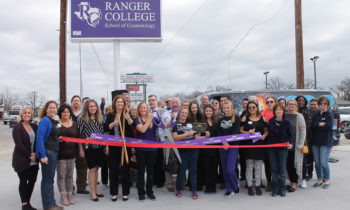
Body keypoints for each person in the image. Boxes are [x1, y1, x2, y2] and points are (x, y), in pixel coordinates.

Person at [104, 95, 134, 201]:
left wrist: (129, 120)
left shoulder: (127, 113)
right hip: (113, 145)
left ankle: (125, 192)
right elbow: (106, 127)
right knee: (113, 168)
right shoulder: (110, 115)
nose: (120, 104)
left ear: (124, 104)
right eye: (118, 102)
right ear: (114, 104)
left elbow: (132, 129)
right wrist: (114, 123)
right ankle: (114, 192)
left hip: (125, 145)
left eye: (121, 102)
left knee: (126, 167)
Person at [36, 101, 64, 210]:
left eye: (54, 108)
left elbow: (50, 135)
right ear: (46, 109)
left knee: (50, 179)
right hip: (48, 153)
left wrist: (57, 139)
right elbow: (39, 138)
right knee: (47, 180)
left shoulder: (52, 121)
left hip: (53, 152)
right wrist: (42, 155)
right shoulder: (45, 120)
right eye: (50, 108)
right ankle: (48, 205)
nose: (52, 110)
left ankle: (52, 203)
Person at [77, 99, 106, 202]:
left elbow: (103, 132)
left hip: (100, 147)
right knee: (92, 169)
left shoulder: (100, 118)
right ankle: (92, 192)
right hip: (89, 148)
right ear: (87, 108)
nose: (93, 108)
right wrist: (81, 149)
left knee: (97, 168)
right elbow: (79, 136)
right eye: (91, 106)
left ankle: (96, 189)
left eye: (94, 106)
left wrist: (106, 145)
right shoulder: (81, 119)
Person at [172, 107, 203, 199]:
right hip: (182, 151)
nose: (184, 114)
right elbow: (175, 138)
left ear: (188, 114)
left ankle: (194, 190)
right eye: (182, 113)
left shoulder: (192, 124)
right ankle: (178, 189)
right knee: (182, 171)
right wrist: (186, 134)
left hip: (193, 150)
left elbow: (197, 137)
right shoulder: (176, 125)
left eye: (186, 113)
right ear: (180, 114)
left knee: (193, 170)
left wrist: (206, 136)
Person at [12, 107, 39, 210]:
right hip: (22, 159)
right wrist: (29, 154)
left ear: (31, 115)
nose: (27, 114)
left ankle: (28, 203)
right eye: (25, 113)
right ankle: (24, 204)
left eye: (29, 113)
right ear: (21, 115)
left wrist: (36, 154)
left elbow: (39, 139)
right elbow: (18, 144)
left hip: (34, 159)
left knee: (32, 181)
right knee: (23, 181)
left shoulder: (34, 126)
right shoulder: (17, 127)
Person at [240, 101, 269, 196]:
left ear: (257, 108)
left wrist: (264, 135)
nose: (251, 109)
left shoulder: (262, 118)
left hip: (259, 146)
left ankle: (257, 186)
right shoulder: (245, 119)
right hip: (249, 146)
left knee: (258, 167)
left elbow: (266, 131)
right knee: (249, 167)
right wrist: (248, 133)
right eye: (249, 107)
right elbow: (240, 131)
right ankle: (249, 187)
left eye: (253, 107)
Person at [133, 102, 159, 201]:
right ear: (139, 110)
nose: (143, 109)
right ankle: (141, 193)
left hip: (152, 150)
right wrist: (149, 120)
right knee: (141, 172)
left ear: (147, 109)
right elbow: (143, 130)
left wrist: (173, 119)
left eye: (145, 107)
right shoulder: (136, 120)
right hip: (141, 150)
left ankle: (150, 192)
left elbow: (163, 125)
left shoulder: (153, 119)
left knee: (150, 172)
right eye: (141, 108)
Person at [56, 104, 79, 206]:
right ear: (60, 113)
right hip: (60, 155)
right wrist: (57, 139)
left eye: (68, 112)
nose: (66, 114)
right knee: (61, 176)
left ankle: (70, 194)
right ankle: (63, 195)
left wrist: (81, 150)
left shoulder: (74, 124)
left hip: (72, 154)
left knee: (69, 176)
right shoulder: (56, 124)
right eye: (64, 112)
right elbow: (52, 138)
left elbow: (78, 138)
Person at [217, 101, 240, 197]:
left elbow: (235, 132)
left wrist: (228, 143)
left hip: (233, 146)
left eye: (227, 108)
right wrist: (223, 142)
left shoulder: (236, 119)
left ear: (231, 108)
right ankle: (229, 189)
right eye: (224, 108)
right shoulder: (220, 120)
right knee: (224, 168)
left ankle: (235, 185)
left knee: (230, 169)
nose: (226, 109)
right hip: (223, 146)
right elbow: (219, 132)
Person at [268, 104, 291, 197]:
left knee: (281, 169)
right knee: (274, 169)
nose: (278, 111)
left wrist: (290, 143)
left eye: (280, 110)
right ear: (274, 111)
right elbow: (269, 133)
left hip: (282, 149)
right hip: (272, 149)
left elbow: (290, 135)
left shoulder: (286, 122)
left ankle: (282, 188)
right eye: (276, 110)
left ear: (283, 111)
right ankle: (275, 188)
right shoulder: (271, 121)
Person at [311, 96, 334, 189]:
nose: (322, 105)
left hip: (325, 142)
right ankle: (319, 179)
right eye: (321, 103)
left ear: (328, 105)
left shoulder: (329, 115)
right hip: (315, 142)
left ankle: (327, 180)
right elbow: (313, 126)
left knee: (323, 162)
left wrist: (319, 125)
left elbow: (328, 127)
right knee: (317, 162)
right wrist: (320, 124)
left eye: (325, 103)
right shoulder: (316, 115)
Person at [285, 99, 306, 192]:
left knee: (293, 165)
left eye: (293, 104)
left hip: (295, 145)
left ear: (296, 106)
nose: (291, 106)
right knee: (287, 165)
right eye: (289, 104)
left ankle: (294, 183)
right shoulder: (284, 115)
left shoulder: (299, 116)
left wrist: (301, 144)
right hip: (285, 145)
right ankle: (291, 182)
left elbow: (303, 131)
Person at [71, 95, 89, 195]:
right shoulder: (67, 114)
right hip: (69, 145)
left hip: (82, 144)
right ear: (71, 103)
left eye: (78, 100)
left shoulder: (84, 115)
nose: (76, 102)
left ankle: (81, 187)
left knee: (82, 166)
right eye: (74, 101)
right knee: (69, 168)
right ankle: (70, 188)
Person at [148, 95, 166, 189]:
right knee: (152, 161)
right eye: (150, 100)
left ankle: (160, 181)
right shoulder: (147, 111)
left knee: (160, 160)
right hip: (150, 140)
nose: (151, 102)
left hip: (160, 140)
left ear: (157, 101)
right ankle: (153, 180)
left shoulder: (162, 111)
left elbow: (166, 123)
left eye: (153, 100)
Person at [201, 105, 219, 193]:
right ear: (204, 112)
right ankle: (208, 187)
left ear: (213, 112)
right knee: (206, 169)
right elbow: (197, 136)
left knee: (214, 169)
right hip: (205, 150)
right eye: (206, 111)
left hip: (215, 150)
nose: (208, 112)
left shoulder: (216, 122)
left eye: (210, 111)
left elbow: (220, 135)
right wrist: (205, 136)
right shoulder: (201, 123)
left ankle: (213, 187)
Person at [260, 96, 276, 192]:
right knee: (267, 163)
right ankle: (269, 182)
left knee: (276, 163)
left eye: (271, 101)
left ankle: (276, 182)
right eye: (268, 102)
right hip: (266, 141)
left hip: (276, 141)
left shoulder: (278, 112)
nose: (269, 103)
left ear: (274, 102)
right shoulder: (262, 114)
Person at [296, 96, 312, 188]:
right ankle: (296, 178)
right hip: (294, 139)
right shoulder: (292, 111)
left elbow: (306, 126)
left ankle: (303, 179)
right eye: (299, 100)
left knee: (303, 160)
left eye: (302, 101)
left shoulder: (307, 111)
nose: (301, 102)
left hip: (304, 139)